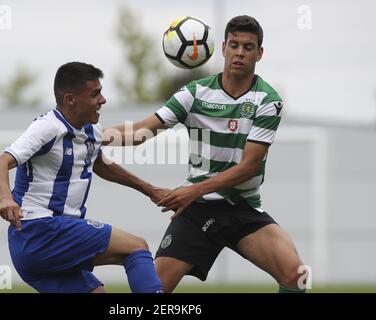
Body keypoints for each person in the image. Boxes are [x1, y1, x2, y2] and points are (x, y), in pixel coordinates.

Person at [104, 16, 307, 293]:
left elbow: (248, 167)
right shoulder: (194, 93)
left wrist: (194, 190)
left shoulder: (268, 101)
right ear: (223, 48)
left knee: (297, 277)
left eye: (248, 47)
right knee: (153, 291)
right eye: (234, 45)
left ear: (259, 54)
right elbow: (143, 130)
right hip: (197, 210)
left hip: (242, 207)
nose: (239, 52)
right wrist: (92, 135)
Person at [0, 62, 165, 293]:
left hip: (41, 246)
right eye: (95, 93)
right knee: (136, 247)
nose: (103, 99)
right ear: (71, 99)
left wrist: (149, 189)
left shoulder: (91, 130)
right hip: (40, 230)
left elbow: (102, 164)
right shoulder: (47, 127)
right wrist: (6, 199)